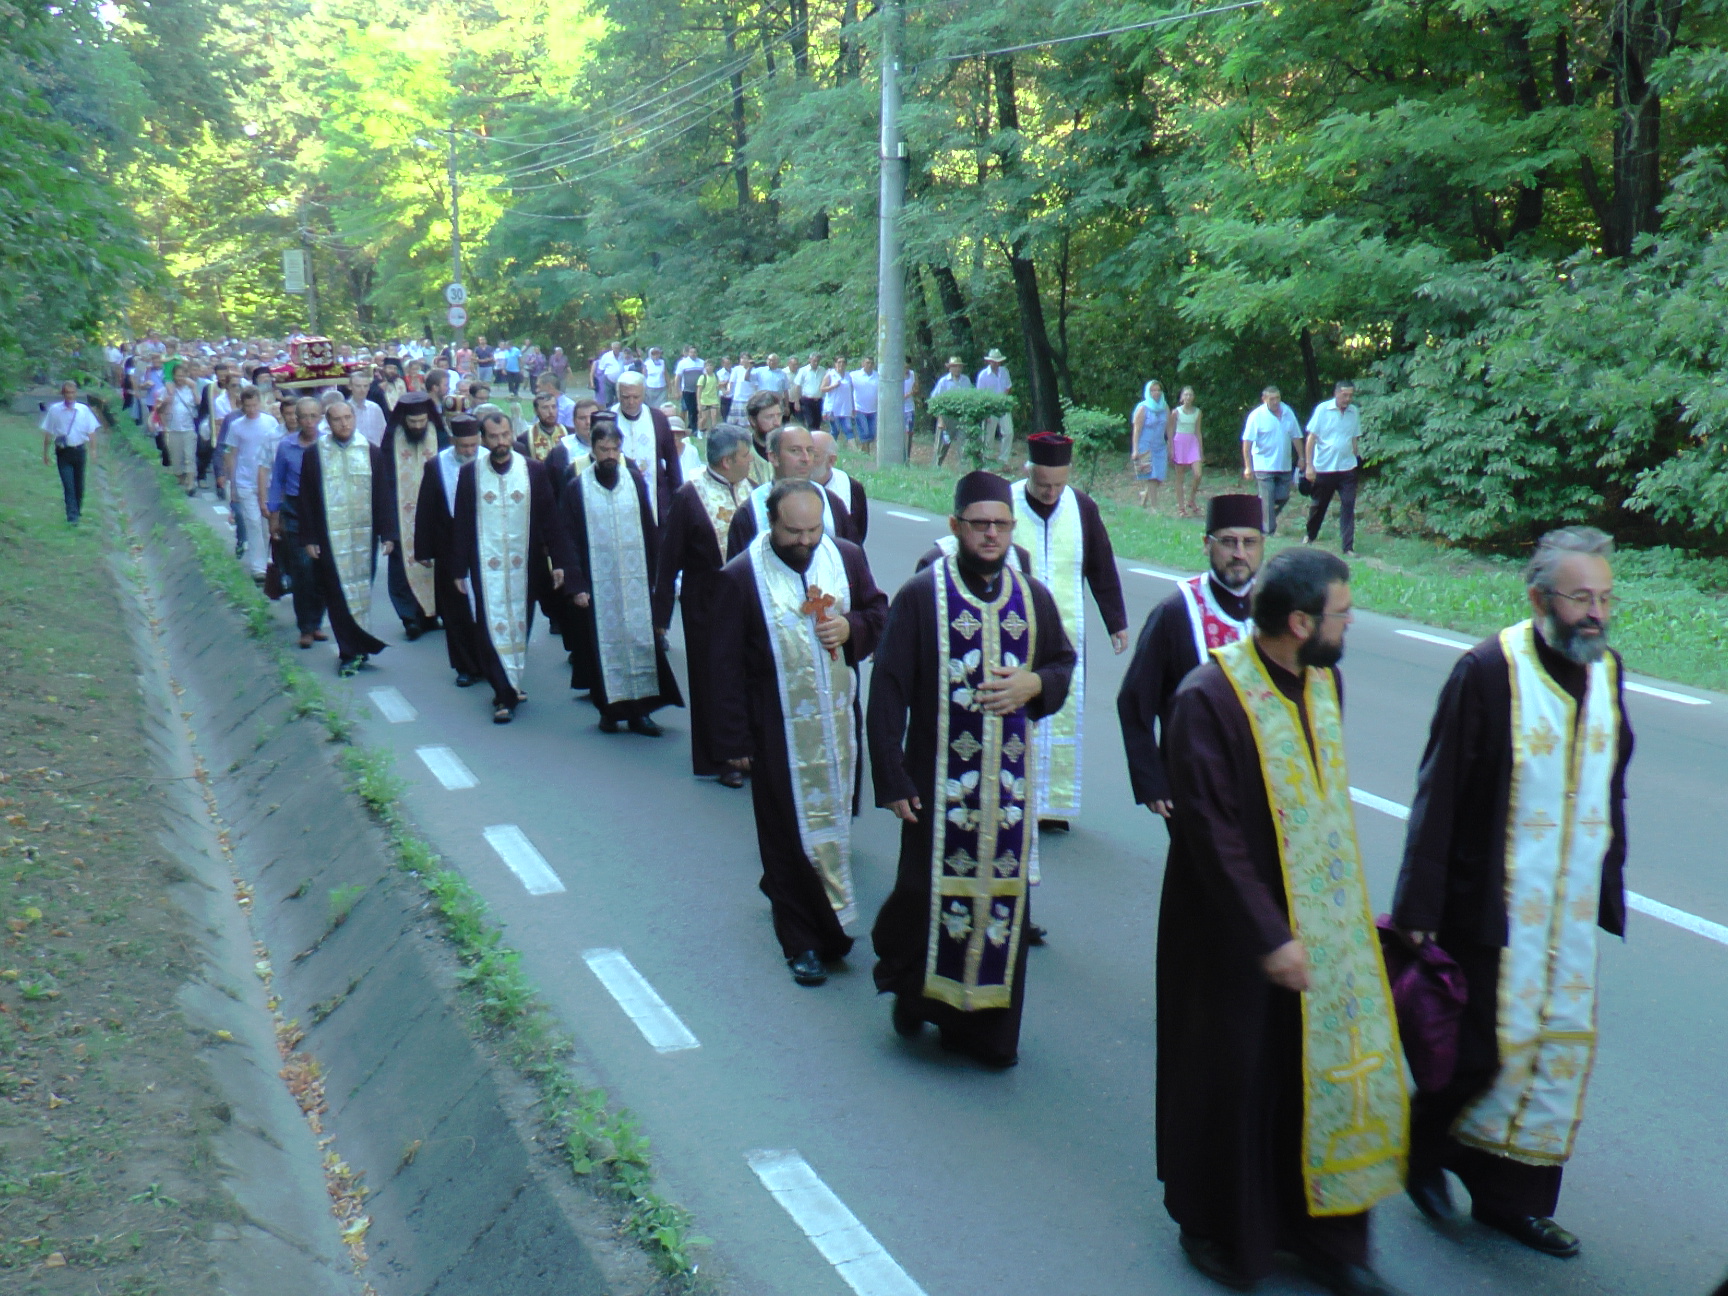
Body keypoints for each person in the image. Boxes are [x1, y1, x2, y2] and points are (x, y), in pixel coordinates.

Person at [1159, 546, 1406, 1295]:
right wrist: (1269, 936)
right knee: (1234, 1079)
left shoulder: (1325, 681)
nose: (1349, 623)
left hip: (1323, 929)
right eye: (1341, 613)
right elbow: (1210, 831)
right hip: (1230, 938)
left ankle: (1330, 1240)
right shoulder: (1208, 698)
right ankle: (1216, 1229)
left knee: (1317, 1078)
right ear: (1299, 622)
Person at [1392, 527, 1632, 1260]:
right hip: (1487, 905)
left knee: (1554, 1052)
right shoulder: (1488, 671)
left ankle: (1513, 1199)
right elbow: (1439, 795)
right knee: (1480, 1053)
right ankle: (1426, 1146)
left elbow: (1610, 776)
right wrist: (1419, 914)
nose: (1595, 613)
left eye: (1603, 598)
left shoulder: (1608, 671)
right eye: (1579, 598)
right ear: (1538, 599)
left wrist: (1608, 879)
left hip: (1567, 911)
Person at [867, 471, 1076, 1067]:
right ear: (956, 526)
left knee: (1003, 907)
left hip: (1007, 796)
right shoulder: (920, 596)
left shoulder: (1031, 598)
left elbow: (1062, 661)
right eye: (979, 524)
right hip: (935, 784)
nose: (990, 534)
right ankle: (915, 994)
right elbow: (888, 689)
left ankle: (985, 1032)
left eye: (1001, 525)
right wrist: (892, 778)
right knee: (921, 894)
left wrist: (1036, 683)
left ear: (1013, 530)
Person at [710, 480, 889, 985]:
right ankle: (800, 942)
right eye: (794, 532)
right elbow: (721, 666)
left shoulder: (846, 557)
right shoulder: (742, 576)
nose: (806, 542)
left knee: (831, 829)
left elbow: (879, 611)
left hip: (837, 725)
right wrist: (734, 742)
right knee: (786, 838)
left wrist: (852, 628)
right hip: (775, 728)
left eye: (814, 530)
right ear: (772, 524)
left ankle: (831, 925)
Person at [1117, 494, 1265, 819]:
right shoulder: (1175, 612)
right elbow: (1134, 700)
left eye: (1249, 542)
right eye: (1228, 542)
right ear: (1207, 544)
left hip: (1265, 784)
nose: (1240, 553)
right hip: (1193, 781)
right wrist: (1151, 780)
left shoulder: (1276, 612)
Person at [1011, 433, 1129, 834]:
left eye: (1058, 485)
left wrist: (1116, 621)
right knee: (1016, 711)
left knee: (1061, 711)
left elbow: (1101, 564)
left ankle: (1053, 804)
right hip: (1012, 628)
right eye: (1043, 484)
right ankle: (1012, 798)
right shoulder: (1005, 503)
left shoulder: (1081, 508)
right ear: (1028, 471)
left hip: (1064, 634)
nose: (1050, 493)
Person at [558, 418, 682, 736]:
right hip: (598, 584)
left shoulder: (634, 479)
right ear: (594, 450)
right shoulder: (577, 487)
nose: (610, 455)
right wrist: (576, 586)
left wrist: (657, 577)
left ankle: (641, 712)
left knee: (641, 642)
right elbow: (566, 540)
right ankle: (610, 712)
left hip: (637, 580)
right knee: (605, 648)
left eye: (615, 448)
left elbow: (648, 527)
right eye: (603, 449)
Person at [450, 407, 573, 723]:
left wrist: (559, 562)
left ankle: (512, 680)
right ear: (483, 439)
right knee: (490, 625)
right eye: (494, 437)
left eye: (505, 435)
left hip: (525, 564)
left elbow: (550, 521)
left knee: (520, 623)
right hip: (484, 565)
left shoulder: (532, 470)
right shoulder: (471, 474)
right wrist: (457, 569)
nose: (501, 442)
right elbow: (462, 523)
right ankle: (502, 694)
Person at [655, 424, 757, 785]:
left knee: (747, 677)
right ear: (728, 461)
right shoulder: (688, 496)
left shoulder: (752, 490)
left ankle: (750, 749)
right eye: (746, 456)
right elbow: (668, 559)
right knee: (713, 680)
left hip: (748, 603)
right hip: (706, 605)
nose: (751, 461)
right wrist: (661, 615)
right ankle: (722, 758)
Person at [295, 400, 396, 677]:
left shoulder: (371, 452)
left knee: (362, 591)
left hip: (364, 537)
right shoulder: (315, 454)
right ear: (328, 422)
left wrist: (388, 533)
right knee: (338, 594)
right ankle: (348, 652)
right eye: (337, 419)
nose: (344, 424)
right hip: (329, 538)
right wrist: (309, 537)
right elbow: (306, 498)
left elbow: (383, 495)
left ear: (354, 419)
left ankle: (361, 644)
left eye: (348, 417)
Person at [414, 413, 486, 688]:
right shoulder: (437, 466)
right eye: (463, 446)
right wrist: (423, 549)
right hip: (450, 547)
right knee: (455, 612)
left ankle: (489, 662)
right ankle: (465, 666)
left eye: (473, 445)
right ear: (453, 441)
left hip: (484, 542)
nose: (469, 451)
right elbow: (426, 509)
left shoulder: (489, 458)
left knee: (485, 607)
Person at [726, 423, 854, 558]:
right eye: (795, 451)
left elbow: (852, 559)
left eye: (810, 451)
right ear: (773, 457)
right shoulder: (751, 511)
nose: (805, 459)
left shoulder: (832, 503)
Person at [380, 391, 446, 639]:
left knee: (436, 561)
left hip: (434, 510)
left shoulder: (438, 434)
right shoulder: (391, 438)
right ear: (403, 420)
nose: (418, 427)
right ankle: (410, 618)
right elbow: (385, 478)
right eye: (413, 422)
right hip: (400, 510)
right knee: (401, 563)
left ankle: (432, 615)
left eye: (421, 422)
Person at [268, 398, 330, 648]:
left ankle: (317, 622)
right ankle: (305, 626)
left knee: (322, 570)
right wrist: (274, 515)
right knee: (301, 570)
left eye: (313, 416)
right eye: (303, 416)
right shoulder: (286, 446)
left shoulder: (327, 443)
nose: (308, 421)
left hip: (323, 507)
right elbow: (277, 482)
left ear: (320, 417)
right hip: (294, 509)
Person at [220, 386, 280, 578]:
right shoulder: (237, 425)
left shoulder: (270, 422)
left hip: (268, 480)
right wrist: (233, 485)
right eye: (248, 406)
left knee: (266, 523)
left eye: (255, 405)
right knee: (253, 522)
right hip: (245, 480)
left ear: (260, 402)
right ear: (243, 406)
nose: (252, 409)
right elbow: (232, 455)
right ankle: (258, 567)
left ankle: (269, 558)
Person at [610, 372, 683, 522]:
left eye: (636, 397)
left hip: (654, 495)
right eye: (625, 397)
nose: (631, 402)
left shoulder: (657, 419)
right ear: (618, 395)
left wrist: (677, 496)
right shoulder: (609, 419)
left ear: (643, 395)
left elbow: (672, 461)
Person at [1304, 382, 1361, 555]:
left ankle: (1348, 547)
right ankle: (1310, 535)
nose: (1348, 399)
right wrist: (1309, 465)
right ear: (1336, 393)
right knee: (1319, 505)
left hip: (1347, 467)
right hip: (1325, 467)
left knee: (1348, 505)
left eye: (1350, 395)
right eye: (1344, 395)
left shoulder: (1354, 412)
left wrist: (1356, 457)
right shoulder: (1323, 410)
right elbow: (1311, 438)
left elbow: (1354, 438)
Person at [1240, 385, 1303, 535]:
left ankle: (1258, 518)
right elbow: (1247, 443)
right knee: (1268, 500)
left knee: (1283, 497)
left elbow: (1296, 436)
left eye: (1278, 398)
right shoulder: (1257, 416)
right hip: (1263, 464)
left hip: (1284, 464)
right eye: (1272, 399)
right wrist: (1248, 466)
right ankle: (1268, 532)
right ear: (1264, 399)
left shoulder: (1287, 412)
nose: (1276, 402)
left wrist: (1302, 457)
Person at [40, 381, 100, 525]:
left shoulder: (83, 410)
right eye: (67, 392)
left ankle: (77, 510)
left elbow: (91, 431)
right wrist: (45, 453)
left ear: (76, 393)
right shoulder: (55, 410)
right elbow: (49, 432)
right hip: (63, 453)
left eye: (72, 393)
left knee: (79, 484)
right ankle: (72, 516)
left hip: (79, 451)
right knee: (68, 485)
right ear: (63, 394)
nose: (70, 396)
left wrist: (93, 450)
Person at [810, 429, 868, 543]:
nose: (806, 459)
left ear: (831, 460)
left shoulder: (851, 488)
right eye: (803, 452)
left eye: (813, 455)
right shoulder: (789, 483)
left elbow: (857, 535)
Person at [160, 365, 201, 494]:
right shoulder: (167, 390)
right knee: (176, 459)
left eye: (183, 375)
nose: (180, 378)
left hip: (188, 428)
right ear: (174, 376)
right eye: (178, 375)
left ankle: (190, 483)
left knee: (190, 457)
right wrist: (166, 402)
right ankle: (180, 478)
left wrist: (194, 387)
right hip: (173, 429)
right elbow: (159, 410)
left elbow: (199, 403)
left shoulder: (190, 389)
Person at [1133, 380, 1170, 509]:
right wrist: (1135, 449)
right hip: (1145, 446)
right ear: (1148, 392)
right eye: (1153, 390)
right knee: (1151, 477)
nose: (1156, 392)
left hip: (1160, 446)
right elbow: (1136, 430)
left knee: (1159, 477)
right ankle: (1155, 508)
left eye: (1158, 390)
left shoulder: (1165, 407)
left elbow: (1168, 428)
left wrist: (1171, 444)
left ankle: (1145, 495)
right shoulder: (1143, 408)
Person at [1169, 386, 1204, 517]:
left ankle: (1191, 499)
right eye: (1186, 395)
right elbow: (1171, 430)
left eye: (1190, 395)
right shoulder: (1176, 412)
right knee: (1180, 477)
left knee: (1198, 474)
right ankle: (1181, 507)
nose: (1188, 397)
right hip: (1179, 442)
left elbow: (1198, 431)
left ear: (1193, 397)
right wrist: (1171, 447)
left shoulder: (1197, 412)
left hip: (1192, 443)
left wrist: (1200, 450)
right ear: (1182, 397)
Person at [975, 349, 1014, 463]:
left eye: (998, 361)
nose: (996, 363)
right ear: (989, 361)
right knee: (988, 436)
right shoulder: (983, 375)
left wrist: (1003, 399)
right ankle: (986, 460)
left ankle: (1003, 459)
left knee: (1008, 432)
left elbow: (1008, 386)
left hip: (1002, 406)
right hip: (989, 408)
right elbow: (980, 395)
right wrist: (985, 412)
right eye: (994, 361)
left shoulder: (1004, 371)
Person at [930, 356, 971, 463]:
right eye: (954, 366)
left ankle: (963, 470)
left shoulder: (966, 380)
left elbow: (970, 397)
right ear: (950, 368)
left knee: (963, 446)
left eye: (959, 367)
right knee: (942, 446)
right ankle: (935, 468)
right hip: (946, 417)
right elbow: (934, 399)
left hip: (961, 417)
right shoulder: (943, 382)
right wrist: (940, 419)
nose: (957, 369)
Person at [847, 357, 880, 445]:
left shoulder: (878, 376)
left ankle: (865, 449)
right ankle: (866, 451)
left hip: (874, 409)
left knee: (872, 434)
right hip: (859, 408)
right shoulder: (854, 375)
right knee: (864, 432)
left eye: (871, 363)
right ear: (863, 364)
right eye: (867, 363)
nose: (869, 365)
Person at [794, 352, 824, 430]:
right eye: (814, 361)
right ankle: (811, 439)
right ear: (810, 360)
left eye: (818, 361)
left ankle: (817, 439)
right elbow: (797, 386)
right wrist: (797, 402)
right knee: (810, 422)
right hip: (807, 400)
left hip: (819, 401)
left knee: (818, 422)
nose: (816, 363)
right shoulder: (803, 370)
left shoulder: (822, 370)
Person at [674, 346, 704, 426]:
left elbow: (705, 376)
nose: (693, 354)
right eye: (691, 352)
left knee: (696, 409)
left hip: (699, 390)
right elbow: (678, 377)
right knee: (689, 409)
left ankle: (694, 427)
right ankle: (690, 427)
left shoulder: (701, 362)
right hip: (687, 390)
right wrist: (677, 390)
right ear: (688, 353)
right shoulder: (683, 363)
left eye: (695, 352)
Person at [728, 352, 758, 421]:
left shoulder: (754, 371)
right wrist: (728, 389)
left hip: (747, 398)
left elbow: (755, 386)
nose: (743, 360)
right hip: (737, 398)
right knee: (734, 421)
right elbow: (731, 381)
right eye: (742, 358)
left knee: (745, 420)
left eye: (745, 358)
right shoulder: (736, 369)